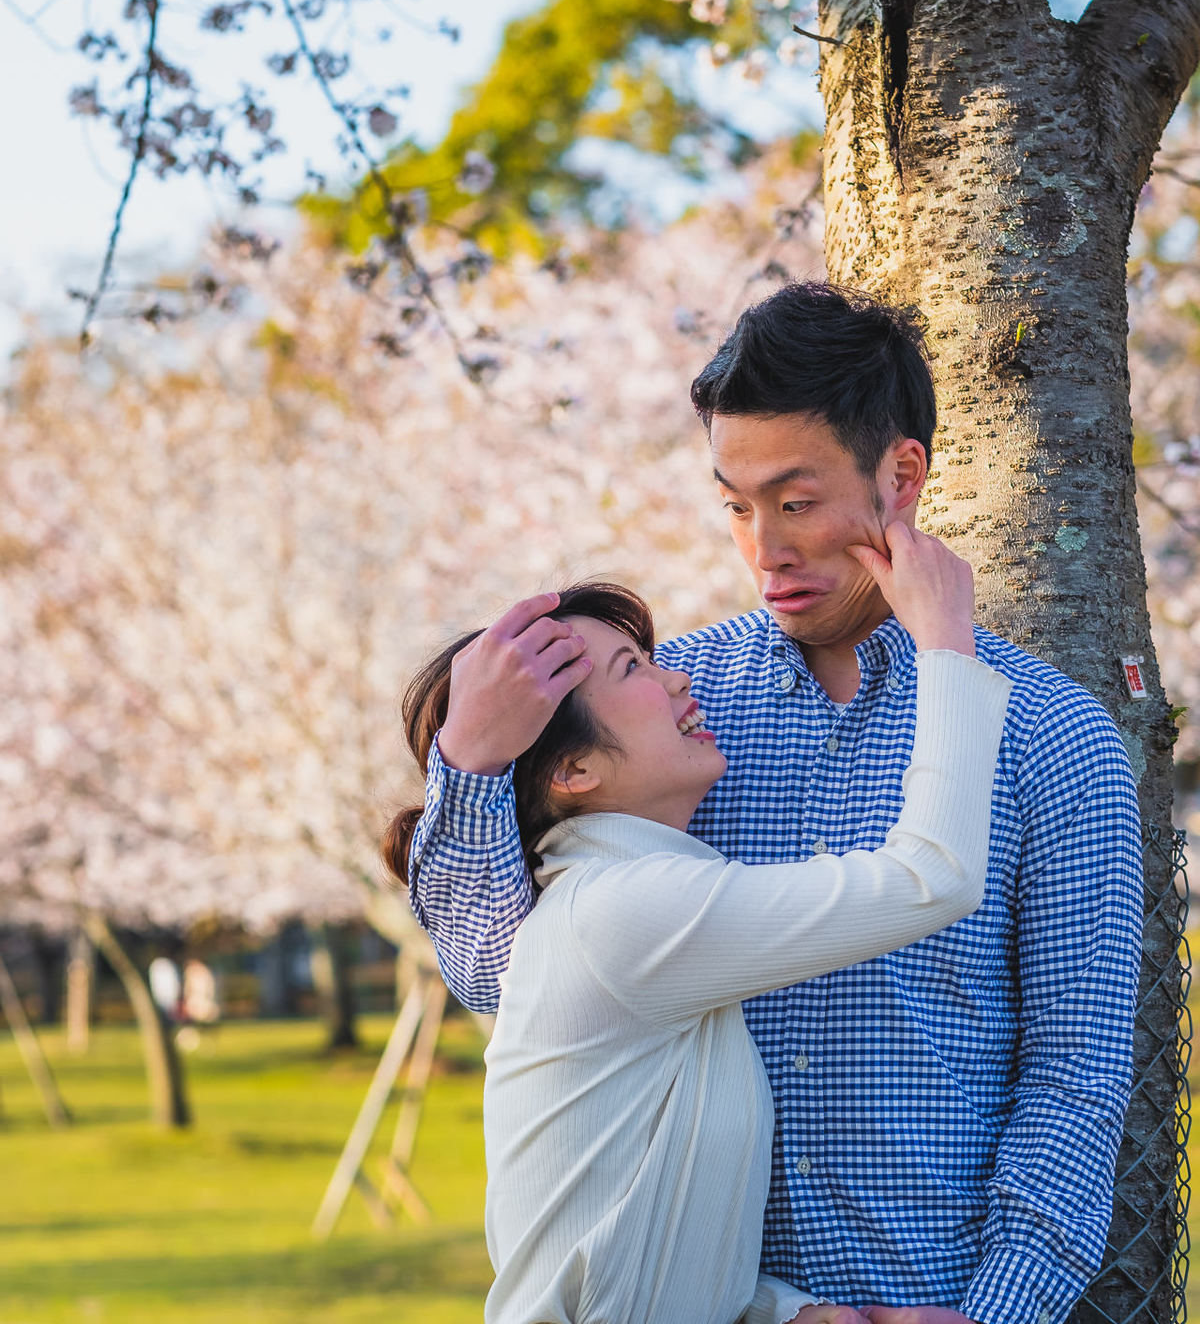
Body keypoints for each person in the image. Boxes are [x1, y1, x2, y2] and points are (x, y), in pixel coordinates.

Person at [407, 283, 1144, 1324]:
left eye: (794, 503)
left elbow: (1074, 1074)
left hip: (925, 1299)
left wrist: (998, 1314)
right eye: (736, 505)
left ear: (901, 476)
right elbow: (507, 984)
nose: (763, 547)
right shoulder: (670, 722)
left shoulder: (1052, 741)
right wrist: (472, 767)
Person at [385, 538, 1011, 1324]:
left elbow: (630, 1235)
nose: (679, 676)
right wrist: (946, 643)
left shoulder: (622, 910)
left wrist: (788, 1313)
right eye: (633, 672)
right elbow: (933, 878)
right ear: (574, 773)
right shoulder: (622, 913)